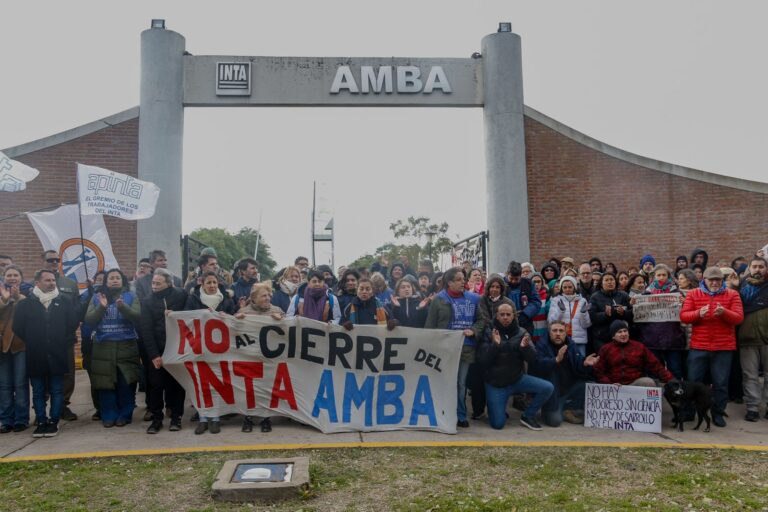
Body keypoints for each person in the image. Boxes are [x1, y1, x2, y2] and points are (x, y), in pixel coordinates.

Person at [12, 269, 79, 437]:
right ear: (37, 283)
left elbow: (72, 323)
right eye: (47, 280)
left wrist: (57, 339)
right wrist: (34, 339)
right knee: (38, 390)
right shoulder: (26, 304)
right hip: (36, 353)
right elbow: (18, 327)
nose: (52, 283)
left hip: (57, 353)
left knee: (57, 390)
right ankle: (41, 421)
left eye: (53, 280)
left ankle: (53, 421)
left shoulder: (63, 301)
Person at [680, 266, 744, 427]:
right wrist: (698, 314)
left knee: (721, 383)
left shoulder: (732, 294)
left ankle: (718, 413)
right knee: (693, 381)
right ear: (704, 280)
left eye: (718, 280)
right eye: (711, 280)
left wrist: (724, 313)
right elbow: (684, 316)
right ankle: (689, 413)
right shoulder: (694, 294)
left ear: (722, 281)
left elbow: (738, 318)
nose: (715, 282)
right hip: (699, 346)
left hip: (723, 347)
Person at [477, 303, 553, 430]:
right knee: (498, 424)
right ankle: (496, 407)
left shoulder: (522, 332)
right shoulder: (489, 331)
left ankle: (527, 416)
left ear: (514, 316)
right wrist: (494, 346)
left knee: (547, 387)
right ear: (497, 316)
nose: (505, 317)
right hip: (496, 383)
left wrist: (525, 348)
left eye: (508, 314)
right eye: (502, 315)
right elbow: (482, 360)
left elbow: (533, 359)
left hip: (516, 379)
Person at [425, 267, 485, 428]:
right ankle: (443, 412)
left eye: (463, 279)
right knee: (445, 382)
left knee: (461, 383)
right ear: (449, 282)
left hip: (465, 348)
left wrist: (473, 331)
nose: (463, 282)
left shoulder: (473, 299)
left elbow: (481, 320)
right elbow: (430, 326)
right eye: (458, 279)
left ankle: (461, 415)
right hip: (444, 349)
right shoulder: (438, 299)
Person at [84, 269, 142, 428]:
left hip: (126, 346)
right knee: (105, 383)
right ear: (106, 282)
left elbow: (137, 317)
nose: (114, 280)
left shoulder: (131, 296)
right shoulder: (97, 297)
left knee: (126, 383)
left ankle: (125, 415)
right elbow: (89, 320)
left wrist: (123, 307)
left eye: (118, 278)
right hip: (103, 347)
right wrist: (102, 307)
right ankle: (108, 416)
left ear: (123, 280)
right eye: (111, 278)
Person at [140, 268, 189, 434]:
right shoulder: (147, 302)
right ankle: (156, 419)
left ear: (168, 283)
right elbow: (146, 330)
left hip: (177, 349)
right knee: (156, 385)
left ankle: (176, 417)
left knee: (176, 385)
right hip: (157, 350)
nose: (154, 286)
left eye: (158, 283)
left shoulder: (181, 295)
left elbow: (192, 313)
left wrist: (177, 314)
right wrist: (154, 355)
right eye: (153, 283)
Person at [529, 321, 598, 426]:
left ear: (565, 333)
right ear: (549, 332)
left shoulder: (571, 344)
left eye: (561, 331)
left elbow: (578, 365)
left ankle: (567, 408)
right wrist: (555, 360)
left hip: (568, 388)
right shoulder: (541, 345)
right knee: (555, 422)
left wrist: (584, 363)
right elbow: (538, 368)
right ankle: (549, 410)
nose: (558, 333)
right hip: (552, 393)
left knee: (591, 386)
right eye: (554, 330)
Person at [41, 250, 79, 422]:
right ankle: (41, 408)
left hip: (65, 338)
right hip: (42, 339)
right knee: (43, 372)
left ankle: (63, 405)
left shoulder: (70, 284)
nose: (54, 262)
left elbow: (76, 312)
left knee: (67, 373)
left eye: (57, 259)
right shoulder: (37, 283)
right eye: (51, 260)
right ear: (43, 261)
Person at [634, 264, 685, 379]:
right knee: (655, 371)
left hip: (673, 338)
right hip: (651, 339)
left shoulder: (677, 293)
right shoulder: (645, 295)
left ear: (668, 277)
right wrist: (634, 304)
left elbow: (685, 314)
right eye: (659, 275)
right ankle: (657, 396)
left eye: (664, 275)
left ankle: (677, 394)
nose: (661, 277)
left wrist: (684, 303)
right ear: (653, 277)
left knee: (675, 369)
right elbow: (638, 316)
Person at [593, 320, 674, 387]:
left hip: (635, 383)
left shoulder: (639, 347)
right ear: (613, 336)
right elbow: (599, 371)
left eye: (625, 331)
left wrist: (671, 380)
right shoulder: (606, 349)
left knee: (648, 382)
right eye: (619, 332)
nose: (623, 334)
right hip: (614, 385)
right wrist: (609, 383)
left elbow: (655, 365)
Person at [0, 265, 32, 433]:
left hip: (21, 345)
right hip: (2, 346)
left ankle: (21, 419)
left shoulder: (28, 292)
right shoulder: (1, 294)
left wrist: (17, 297)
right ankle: (5, 420)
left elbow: (29, 312)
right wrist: (5, 300)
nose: (12, 278)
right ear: (4, 277)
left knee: (20, 384)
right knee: (4, 385)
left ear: (21, 277)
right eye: (9, 275)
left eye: (15, 275)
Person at [737, 257, 768, 422]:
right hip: (747, 338)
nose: (757, 269)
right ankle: (753, 407)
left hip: (767, 338)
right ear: (749, 269)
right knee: (750, 375)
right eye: (754, 266)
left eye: (761, 267)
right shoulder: (741, 288)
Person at [547, 276, 591, 356]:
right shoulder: (556, 300)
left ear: (574, 287)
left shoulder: (582, 301)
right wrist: (560, 311)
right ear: (561, 288)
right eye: (565, 287)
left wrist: (583, 313)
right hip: (562, 340)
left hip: (579, 341)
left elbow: (586, 325)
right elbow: (551, 321)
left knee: (580, 365)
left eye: (570, 287)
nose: (567, 289)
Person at [589, 273, 633, 352]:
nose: (610, 282)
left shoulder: (624, 295)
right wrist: (605, 314)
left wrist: (624, 313)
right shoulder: (595, 297)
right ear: (601, 284)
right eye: (606, 280)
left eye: (612, 280)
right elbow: (592, 316)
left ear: (615, 282)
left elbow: (633, 313)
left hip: (622, 337)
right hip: (602, 338)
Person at [504, 261, 541, 334]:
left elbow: (536, 302)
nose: (513, 281)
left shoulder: (528, 284)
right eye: (511, 278)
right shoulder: (501, 284)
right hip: (505, 323)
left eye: (516, 279)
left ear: (521, 275)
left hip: (525, 323)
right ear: (507, 274)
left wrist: (526, 314)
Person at [530, 272, 549, 343]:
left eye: (538, 281)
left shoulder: (547, 296)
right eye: (534, 282)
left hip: (544, 335)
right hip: (531, 335)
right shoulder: (527, 297)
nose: (536, 284)